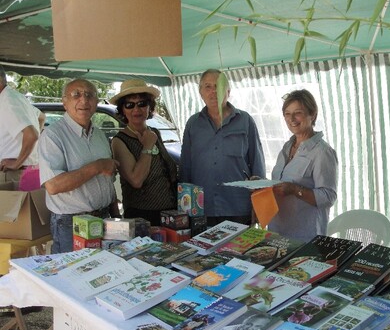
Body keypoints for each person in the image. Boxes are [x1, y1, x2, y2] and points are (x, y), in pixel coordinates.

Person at [38, 78, 120, 253]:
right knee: (74, 275)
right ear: (64, 102)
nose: (83, 100)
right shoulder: (52, 136)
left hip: (104, 218)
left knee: (104, 273)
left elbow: (107, 181)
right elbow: (52, 185)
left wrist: (117, 217)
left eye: (89, 95)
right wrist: (97, 166)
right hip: (71, 224)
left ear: (96, 102)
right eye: (76, 95)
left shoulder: (99, 135)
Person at [180, 69, 266, 227]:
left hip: (238, 207)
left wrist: (259, 204)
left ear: (228, 91)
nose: (214, 92)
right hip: (202, 208)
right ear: (200, 92)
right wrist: (185, 208)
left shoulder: (245, 121)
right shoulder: (193, 124)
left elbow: (257, 164)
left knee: (240, 251)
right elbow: (186, 167)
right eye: (208, 87)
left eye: (218, 86)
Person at [269, 89, 338, 242]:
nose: (291, 119)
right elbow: (279, 183)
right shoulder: (287, 147)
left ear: (312, 114)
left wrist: (295, 190)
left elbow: (329, 196)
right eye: (287, 114)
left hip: (304, 237)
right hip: (276, 232)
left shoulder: (322, 152)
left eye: (297, 113)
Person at [110, 79, 177, 226]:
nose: (136, 109)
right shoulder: (120, 141)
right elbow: (136, 180)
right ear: (122, 109)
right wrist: (147, 147)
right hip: (142, 217)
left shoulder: (154, 133)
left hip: (170, 213)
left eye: (142, 104)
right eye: (129, 105)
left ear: (149, 107)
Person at [0, 65, 46, 182]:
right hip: (25, 169)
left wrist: (16, 163)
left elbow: (32, 135)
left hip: (14, 173)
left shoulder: (7, 102)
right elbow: (41, 117)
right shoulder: (15, 97)